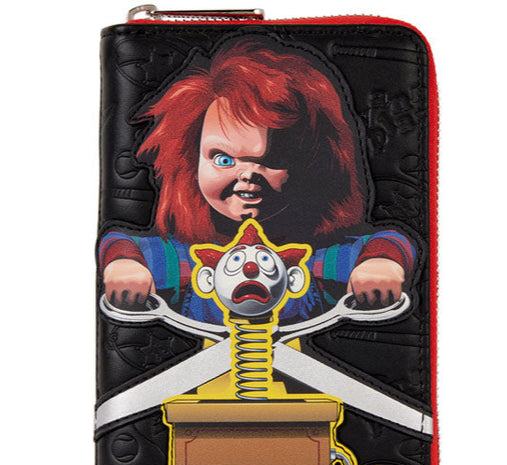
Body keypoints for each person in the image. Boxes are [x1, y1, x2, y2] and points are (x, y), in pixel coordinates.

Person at [99, 37, 415, 324]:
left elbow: (385, 244)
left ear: (317, 164)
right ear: (190, 162)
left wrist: (380, 265)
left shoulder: (321, 256)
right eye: (223, 159)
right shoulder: (183, 257)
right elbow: (122, 246)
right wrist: (125, 268)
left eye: (273, 159)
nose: (248, 174)